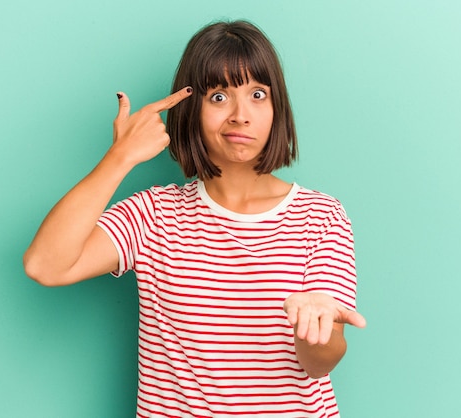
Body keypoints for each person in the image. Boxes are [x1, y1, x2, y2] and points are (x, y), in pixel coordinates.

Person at [24, 20, 366, 417]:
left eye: (258, 94)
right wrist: (119, 158)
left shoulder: (320, 215)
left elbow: (320, 363)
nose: (240, 115)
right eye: (219, 96)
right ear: (192, 109)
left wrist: (315, 328)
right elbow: (44, 265)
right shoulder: (153, 214)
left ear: (277, 109)